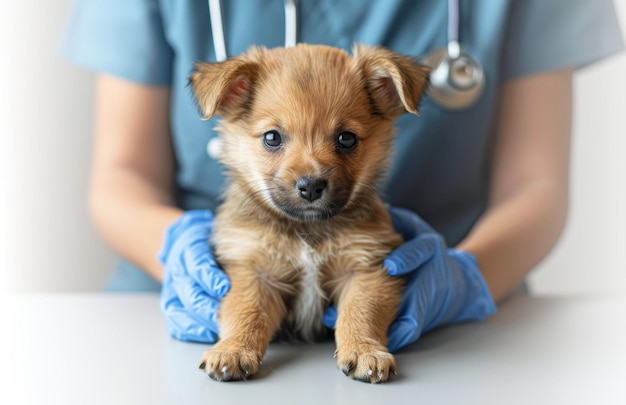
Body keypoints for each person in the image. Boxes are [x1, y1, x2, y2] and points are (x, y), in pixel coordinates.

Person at [61, 0, 623, 350]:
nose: (310, 173)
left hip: (454, 339)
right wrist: (171, 246)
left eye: (345, 140)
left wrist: (467, 276)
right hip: (156, 324)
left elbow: (538, 185)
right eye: (274, 139)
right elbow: (121, 175)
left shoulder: (381, 81)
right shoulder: (233, 84)